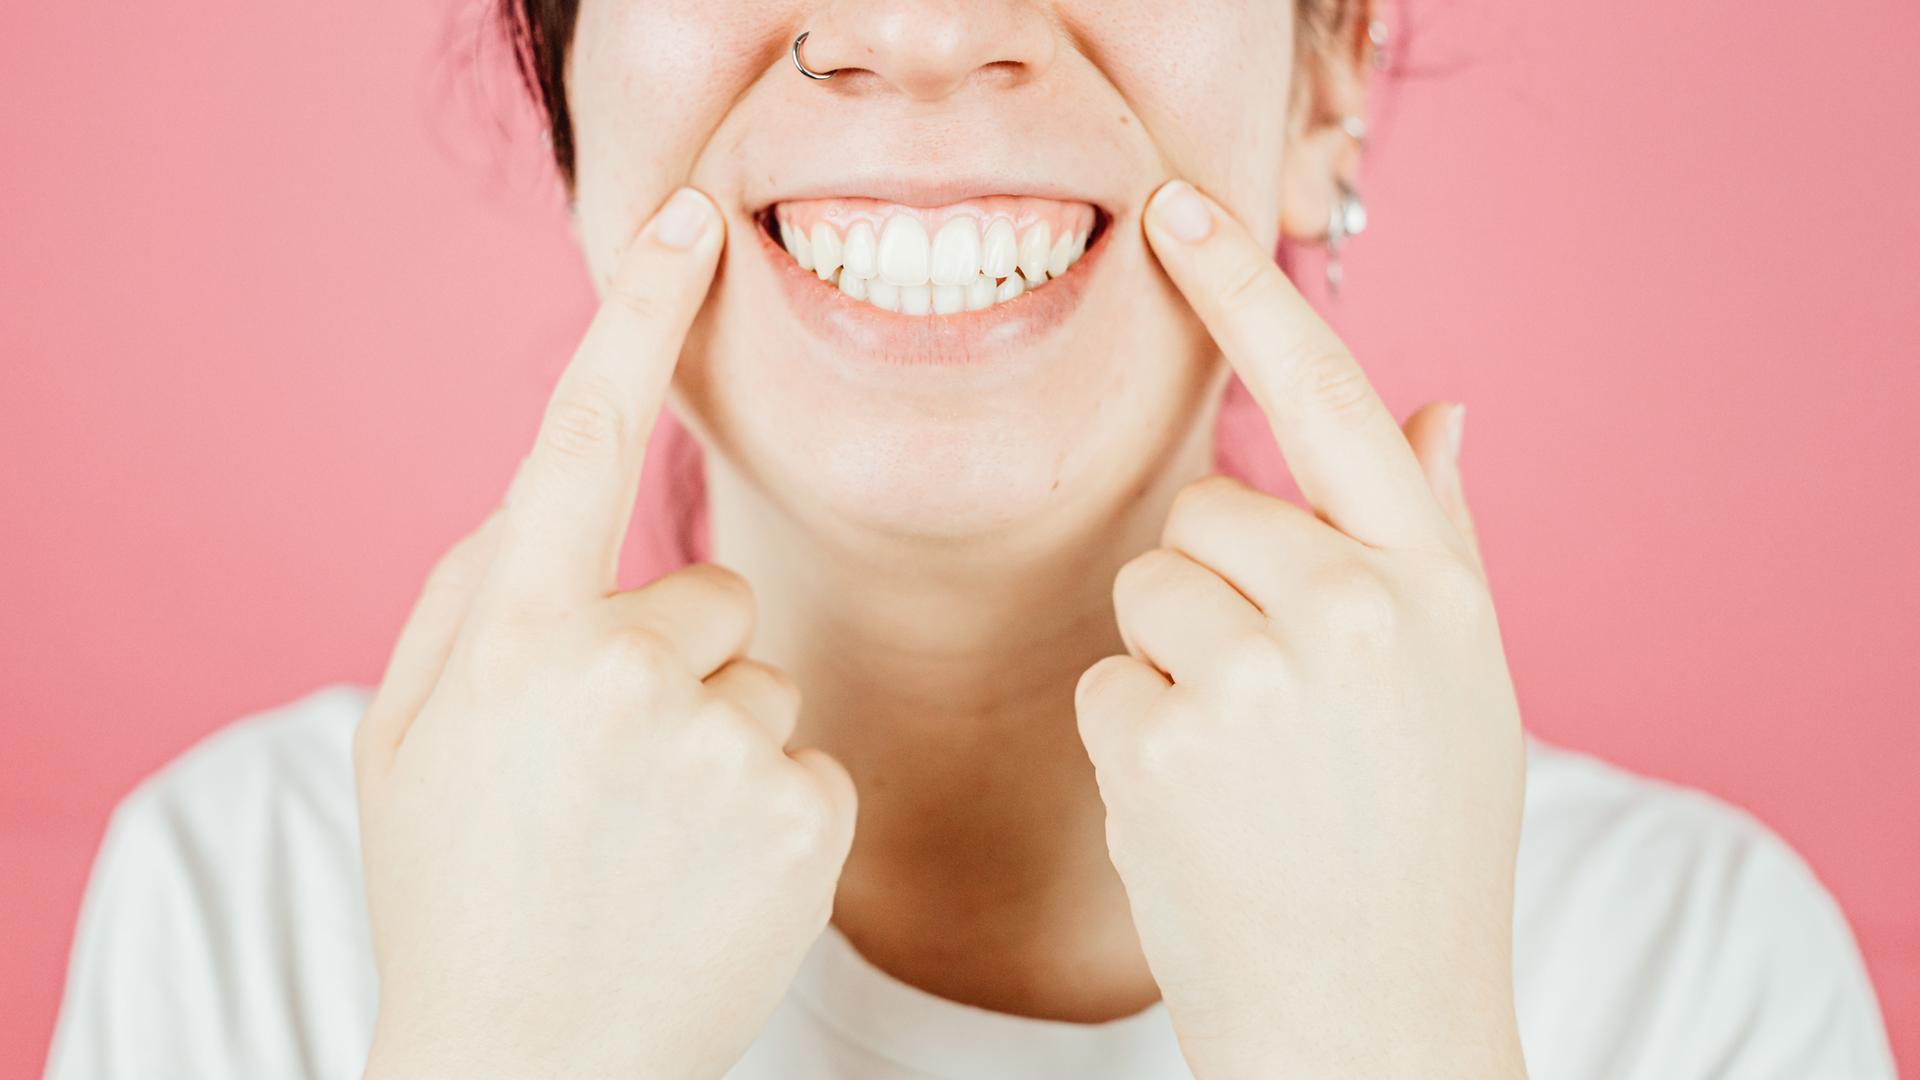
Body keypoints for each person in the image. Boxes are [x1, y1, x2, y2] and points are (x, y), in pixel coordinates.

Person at [44, 1, 1898, 1077]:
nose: (921, 37)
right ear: (567, 87)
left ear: (1328, 72)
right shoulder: (253, 915)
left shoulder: (1696, 976)